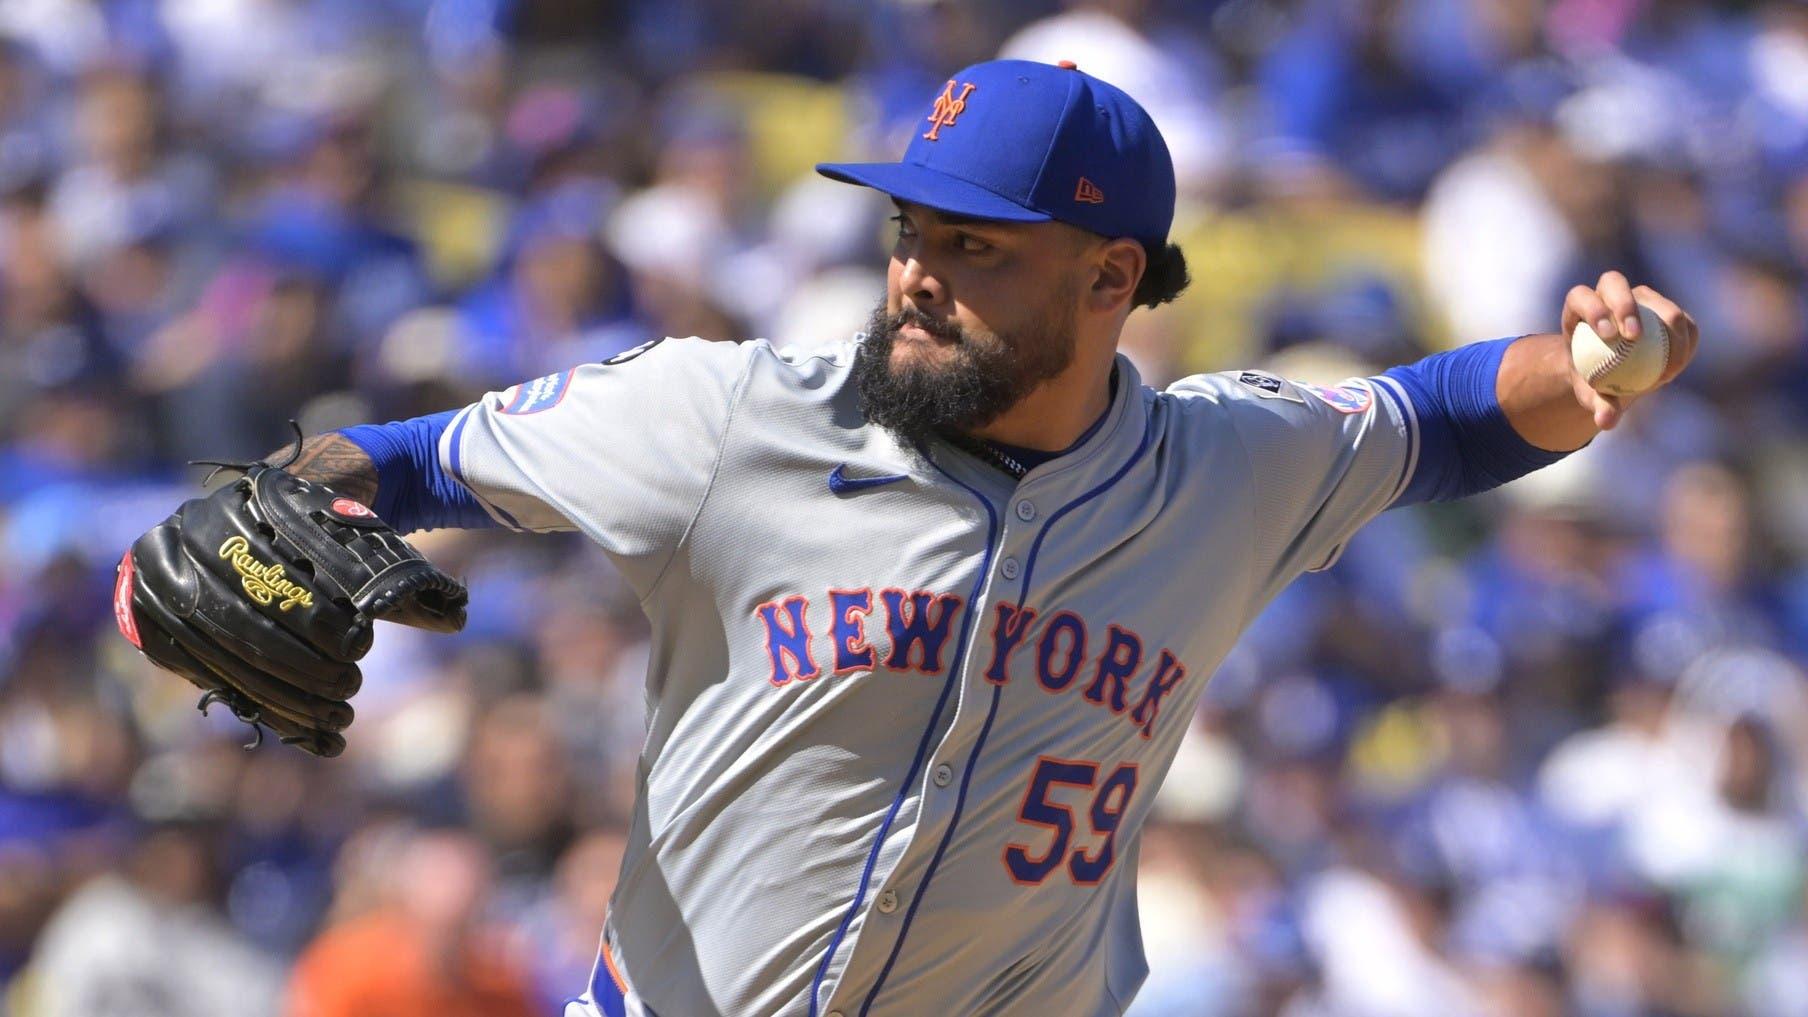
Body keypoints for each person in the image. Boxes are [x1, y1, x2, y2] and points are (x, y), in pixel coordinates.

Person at [117, 59, 1700, 1016]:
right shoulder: (733, 416)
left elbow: (1436, 420)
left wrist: (1588, 367)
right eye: (908, 231)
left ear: (1108, 277)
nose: (917, 274)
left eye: (975, 245)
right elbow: (400, 462)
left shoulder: (1227, 464)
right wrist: (261, 506)